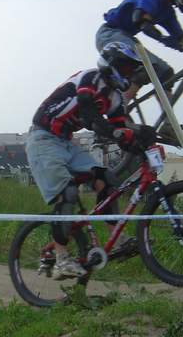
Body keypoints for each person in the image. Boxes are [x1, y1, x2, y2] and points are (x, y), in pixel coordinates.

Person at [26, 43, 156, 279]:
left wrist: (141, 137)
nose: (128, 74)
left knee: (107, 180)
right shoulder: (90, 78)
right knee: (68, 193)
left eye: (131, 70)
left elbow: (120, 129)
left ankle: (117, 239)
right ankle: (61, 259)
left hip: (66, 141)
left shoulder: (114, 97)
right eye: (125, 68)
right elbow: (90, 116)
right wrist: (120, 133)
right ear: (112, 64)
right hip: (43, 139)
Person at [96, 0, 183, 104]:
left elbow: (181, 36)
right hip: (110, 35)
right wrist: (165, 39)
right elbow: (141, 21)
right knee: (149, 67)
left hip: (125, 37)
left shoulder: (167, 12)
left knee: (165, 73)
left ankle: (169, 117)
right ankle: (120, 108)